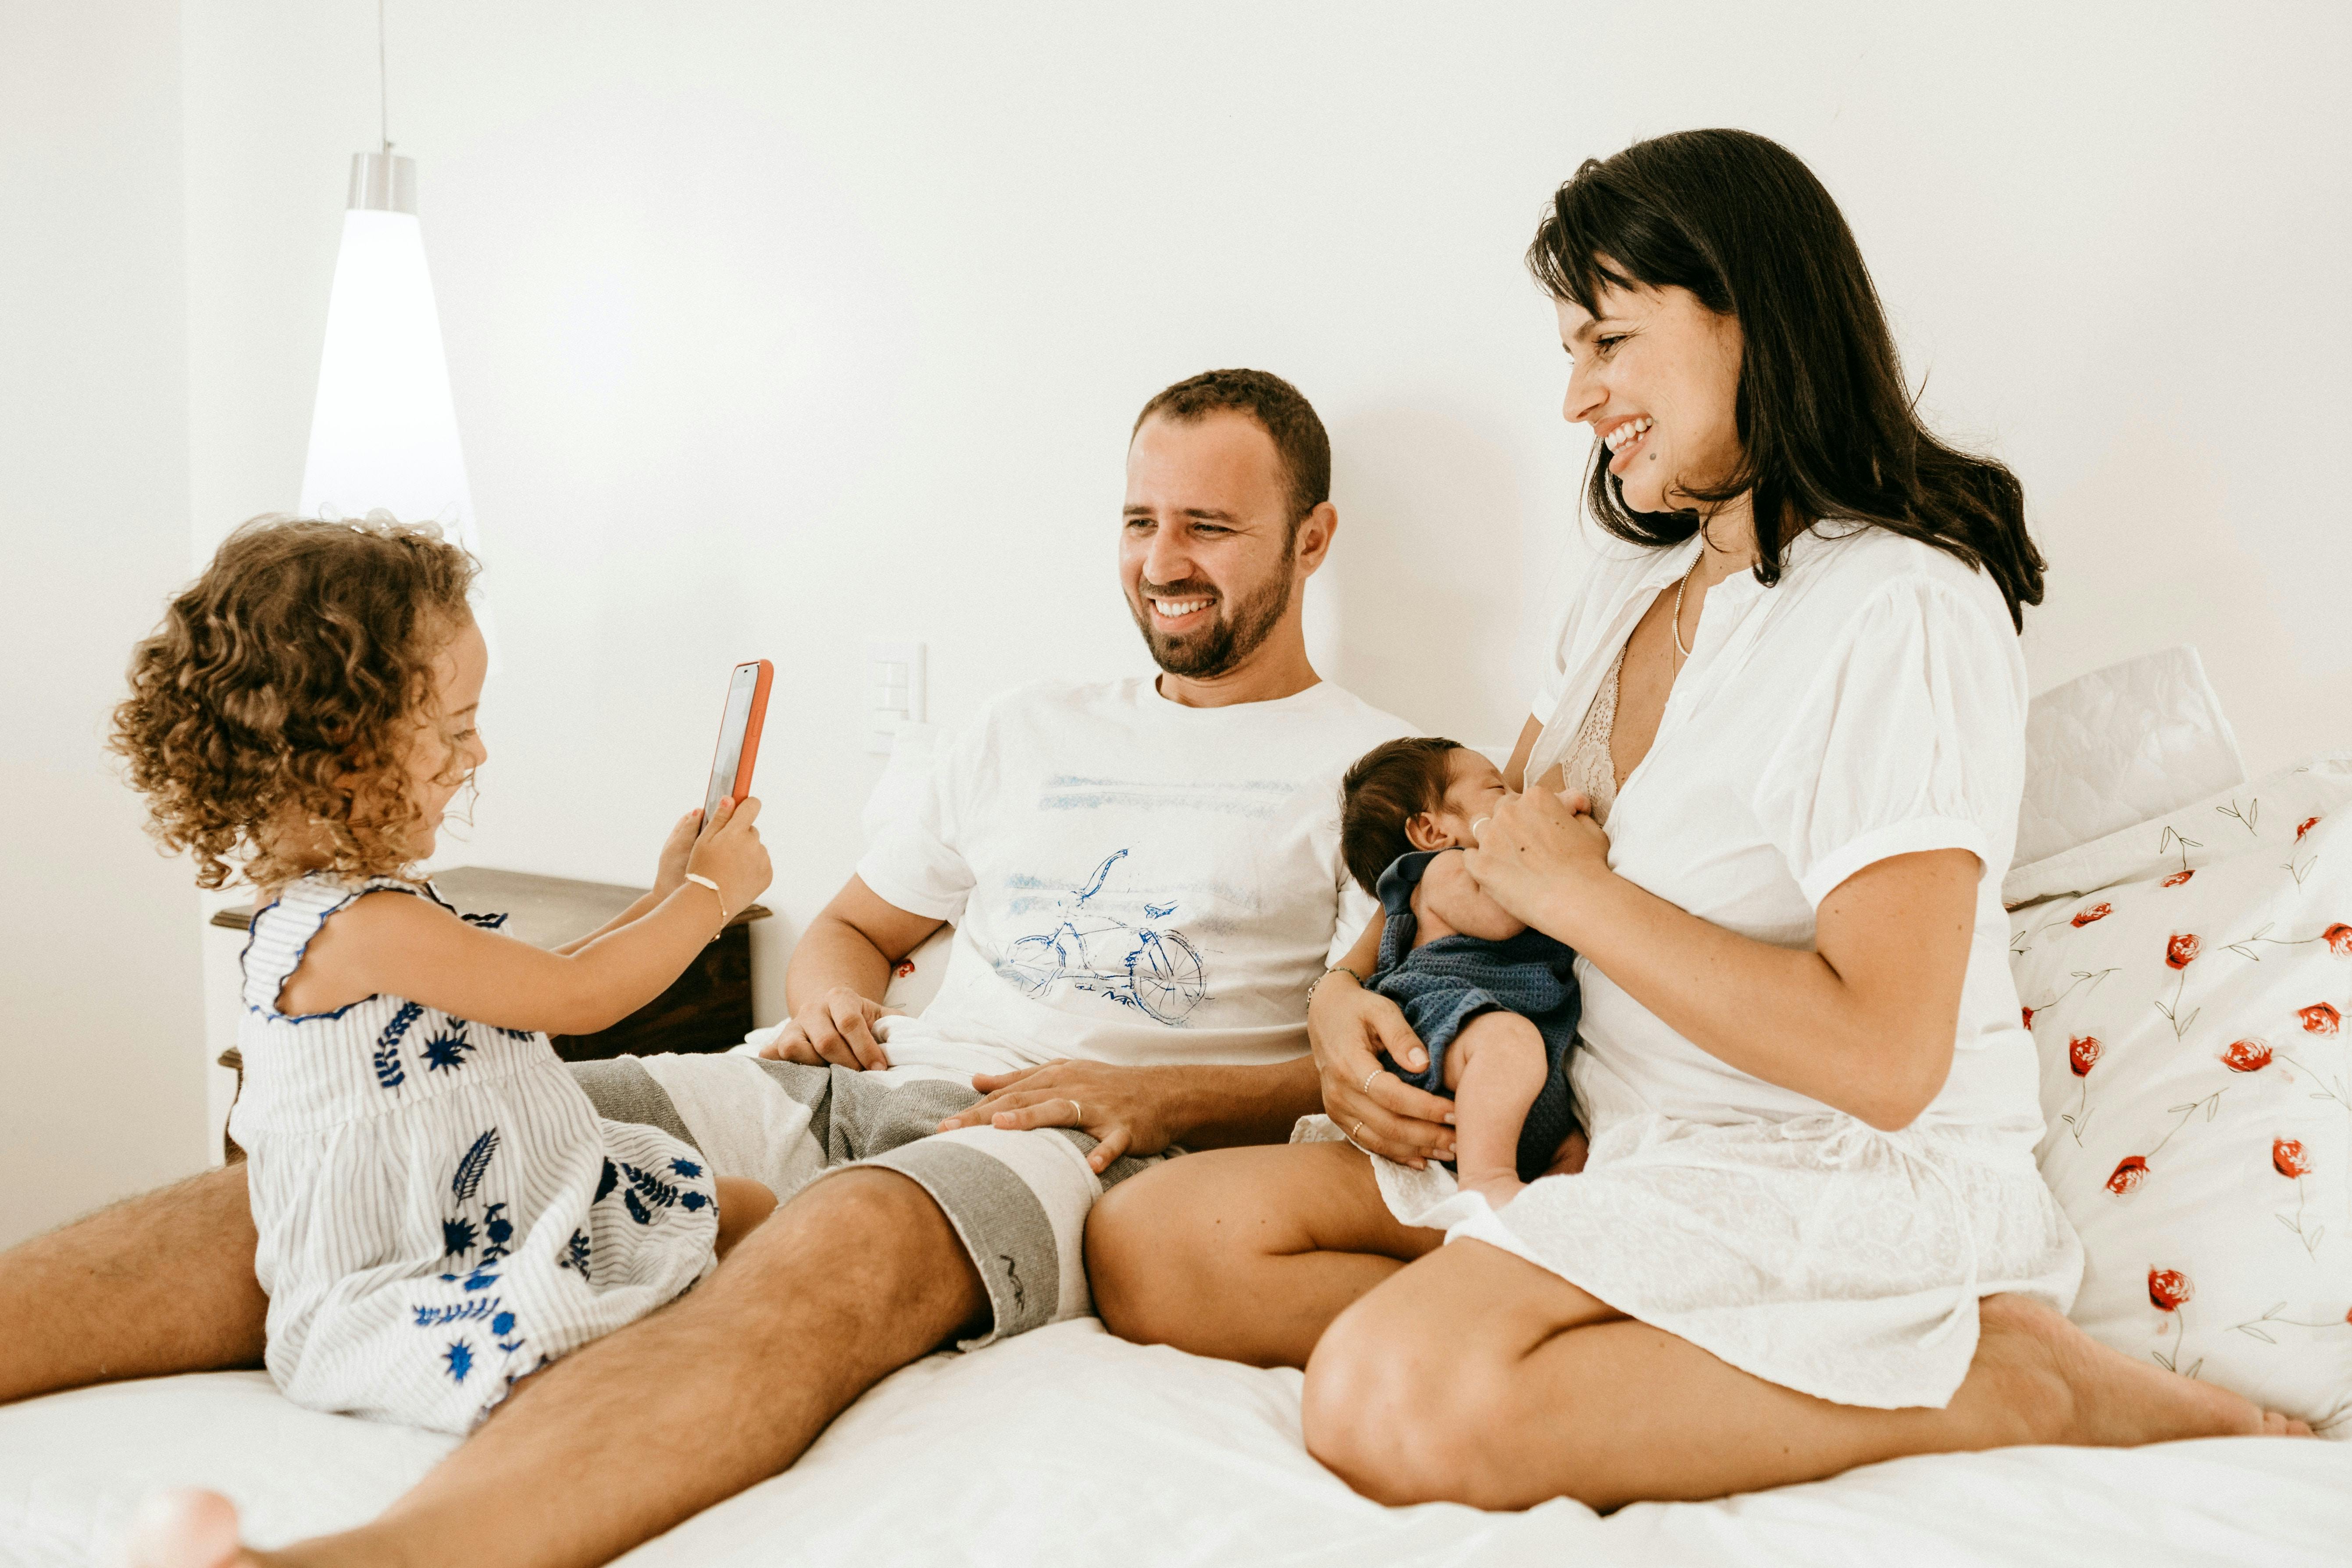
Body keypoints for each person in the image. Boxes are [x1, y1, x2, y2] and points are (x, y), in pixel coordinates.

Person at [0, 368, 1420, 1568]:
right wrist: (826, 996)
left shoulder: (1374, 770)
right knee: (429, 1136)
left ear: (1312, 539)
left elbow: (1384, 1064)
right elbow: (854, 928)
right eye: (1139, 519)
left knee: (832, 1253)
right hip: (828, 1076)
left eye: (1211, 527)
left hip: (1055, 1136)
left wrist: (1161, 1102)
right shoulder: (1022, 726)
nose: (1164, 558)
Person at [1086, 129, 2310, 1513]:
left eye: (1605, 341)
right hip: (1601, 1131)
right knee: (1151, 1244)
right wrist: (1337, 990)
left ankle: (2009, 1380)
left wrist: (1587, 901)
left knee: (1387, 1396)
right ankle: (1607, 1318)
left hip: (1823, 1168)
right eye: (1567, 348)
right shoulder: (1628, 582)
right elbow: (1484, 853)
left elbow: (1886, 1053)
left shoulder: (1894, 607)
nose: (1573, 396)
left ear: (1751, 315)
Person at [108, 516, 778, 1435]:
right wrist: (709, 894)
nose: (479, 756)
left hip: (510, 1204)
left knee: (738, 1206)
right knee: (579, 1322)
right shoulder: (360, 928)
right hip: (422, 1257)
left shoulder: (361, 907)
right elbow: (583, 999)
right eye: (457, 729)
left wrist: (666, 894)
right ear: (341, 745)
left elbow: (542, 978)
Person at [1331, 737, 1579, 1207]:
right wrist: (1553, 821)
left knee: (1574, 1145)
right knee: (1508, 1042)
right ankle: (1486, 1180)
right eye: (1497, 789)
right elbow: (1503, 913)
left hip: (1508, 1064)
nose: (1518, 800)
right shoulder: (1443, 871)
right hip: (1439, 1023)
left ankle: (1542, 1207)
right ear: (1430, 831)